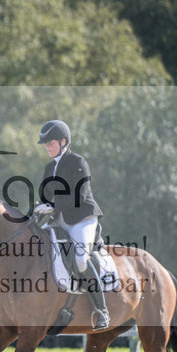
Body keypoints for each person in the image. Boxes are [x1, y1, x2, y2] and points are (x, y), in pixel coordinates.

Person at [32, 120, 110, 330]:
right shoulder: (49, 168)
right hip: (60, 220)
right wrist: (38, 210)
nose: (47, 147)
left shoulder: (78, 162)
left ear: (64, 141)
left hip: (82, 218)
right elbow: (46, 197)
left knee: (81, 260)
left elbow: (80, 195)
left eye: (51, 143)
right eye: (46, 144)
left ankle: (102, 310)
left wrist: (52, 205)